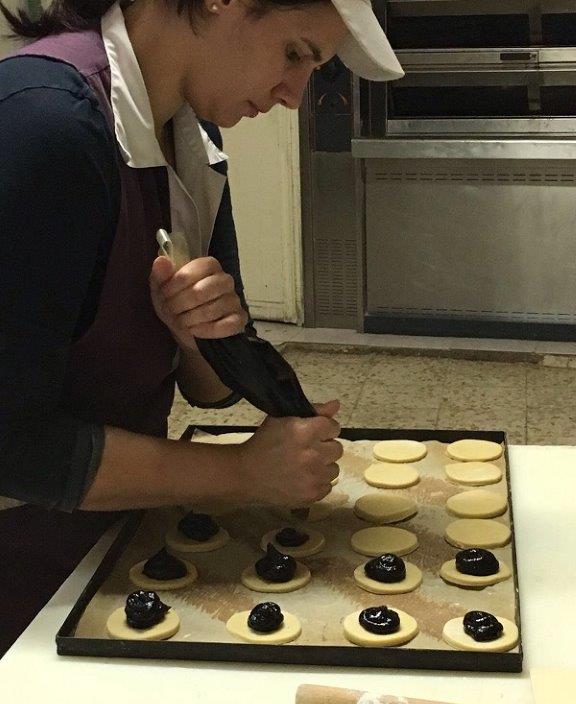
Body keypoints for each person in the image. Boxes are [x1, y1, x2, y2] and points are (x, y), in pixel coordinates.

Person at [0, 0, 403, 656]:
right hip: (20, 583)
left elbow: (214, 390)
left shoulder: (188, 138)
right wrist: (241, 473)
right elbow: (11, 448)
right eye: (294, 53)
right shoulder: (42, 127)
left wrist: (195, 336)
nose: (294, 95)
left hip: (103, 544)